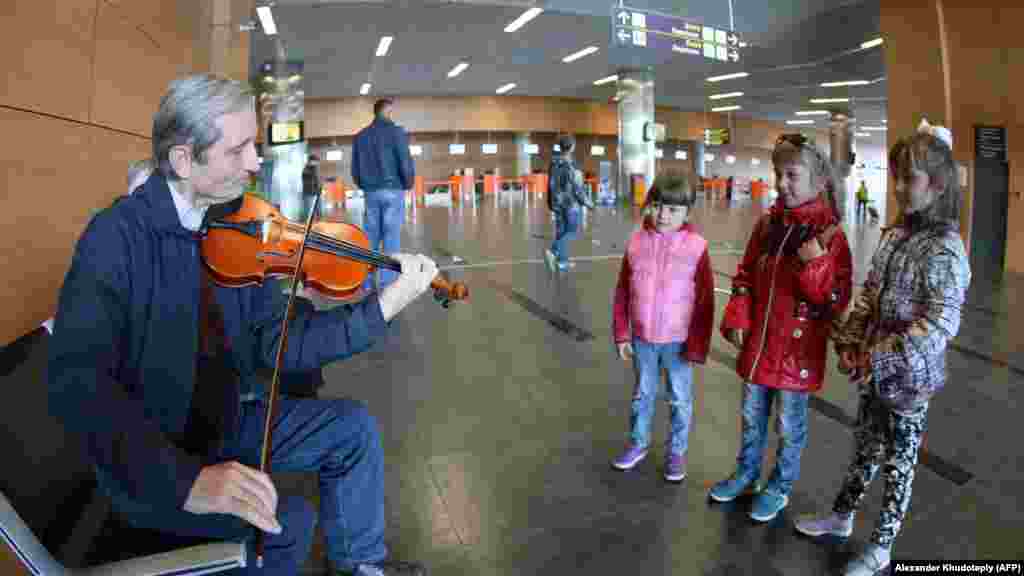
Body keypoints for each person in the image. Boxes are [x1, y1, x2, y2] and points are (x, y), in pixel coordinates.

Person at [47, 74, 436, 576]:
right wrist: (187, 482)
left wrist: (381, 306)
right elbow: (80, 386)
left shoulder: (233, 225)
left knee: (352, 430)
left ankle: (362, 567)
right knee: (287, 522)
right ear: (184, 160)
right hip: (153, 459)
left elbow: (280, 343)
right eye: (239, 149)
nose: (255, 162)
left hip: (225, 423)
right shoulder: (114, 238)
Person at [793, 121, 970, 576]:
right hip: (874, 368)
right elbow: (871, 292)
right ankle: (842, 515)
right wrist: (851, 341)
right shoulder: (895, 235)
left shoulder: (947, 249)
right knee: (864, 446)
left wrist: (881, 354)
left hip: (909, 379)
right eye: (897, 176)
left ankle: (882, 545)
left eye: (909, 178)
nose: (898, 187)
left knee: (899, 462)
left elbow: (940, 322)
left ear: (938, 184)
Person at [711, 133, 853, 522]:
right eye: (778, 174)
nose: (781, 183)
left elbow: (837, 300)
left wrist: (818, 265)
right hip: (759, 347)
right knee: (751, 416)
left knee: (790, 426)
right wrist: (740, 305)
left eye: (792, 175)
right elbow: (745, 272)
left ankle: (780, 485)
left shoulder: (831, 236)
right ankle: (747, 473)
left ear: (819, 181)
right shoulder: (768, 224)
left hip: (796, 354)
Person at [610, 173, 715, 482]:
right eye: (657, 206)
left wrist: (697, 344)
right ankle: (638, 442)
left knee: (680, 397)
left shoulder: (697, 248)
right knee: (642, 394)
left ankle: (677, 451)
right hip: (643, 339)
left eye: (672, 209)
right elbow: (622, 292)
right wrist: (621, 332)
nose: (662, 215)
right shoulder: (636, 243)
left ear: (688, 213)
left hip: (679, 342)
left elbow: (706, 301)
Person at [352, 98, 415, 291]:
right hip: (393, 190)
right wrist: (408, 183)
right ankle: (388, 283)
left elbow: (355, 169)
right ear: (387, 111)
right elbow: (404, 161)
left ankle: (365, 282)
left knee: (370, 237)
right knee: (391, 237)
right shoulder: (397, 132)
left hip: (371, 192)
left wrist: (366, 185)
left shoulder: (360, 136)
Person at [544, 135, 594, 272]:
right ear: (572, 147)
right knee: (571, 231)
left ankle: (562, 262)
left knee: (561, 232)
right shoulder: (572, 165)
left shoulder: (553, 163)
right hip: (571, 205)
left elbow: (550, 184)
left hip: (557, 203)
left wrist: (550, 201)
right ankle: (553, 251)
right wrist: (588, 203)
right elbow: (578, 188)